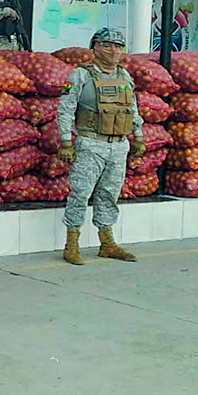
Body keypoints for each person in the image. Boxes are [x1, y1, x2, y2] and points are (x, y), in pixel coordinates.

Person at [56, 27, 146, 265]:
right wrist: (66, 141)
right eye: (107, 45)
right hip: (90, 143)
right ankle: (71, 243)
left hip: (118, 145)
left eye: (117, 46)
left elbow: (132, 108)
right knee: (81, 192)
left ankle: (107, 242)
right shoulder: (80, 75)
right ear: (94, 47)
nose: (113, 50)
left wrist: (138, 136)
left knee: (109, 194)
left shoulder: (124, 76)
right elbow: (65, 109)